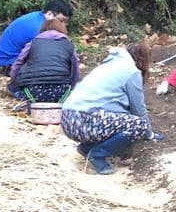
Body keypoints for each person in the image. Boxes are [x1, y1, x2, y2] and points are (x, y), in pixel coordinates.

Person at [60, 40, 159, 175]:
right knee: (138, 125)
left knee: (115, 122)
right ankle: (97, 155)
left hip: (68, 119)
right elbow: (138, 110)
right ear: (142, 59)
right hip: (85, 120)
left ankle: (86, 148)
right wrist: (149, 134)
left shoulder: (108, 66)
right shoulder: (131, 71)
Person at [7, 16, 80, 104]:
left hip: (33, 93)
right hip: (61, 94)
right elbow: (76, 70)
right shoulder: (69, 45)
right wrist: (71, 87)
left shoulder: (32, 43)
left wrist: (14, 81)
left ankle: (29, 102)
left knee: (11, 87)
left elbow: (18, 64)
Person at [0, 0, 73, 74]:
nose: (63, 25)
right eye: (61, 20)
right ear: (49, 14)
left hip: (11, 59)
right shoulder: (38, 28)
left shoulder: (38, 17)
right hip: (7, 64)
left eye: (66, 22)